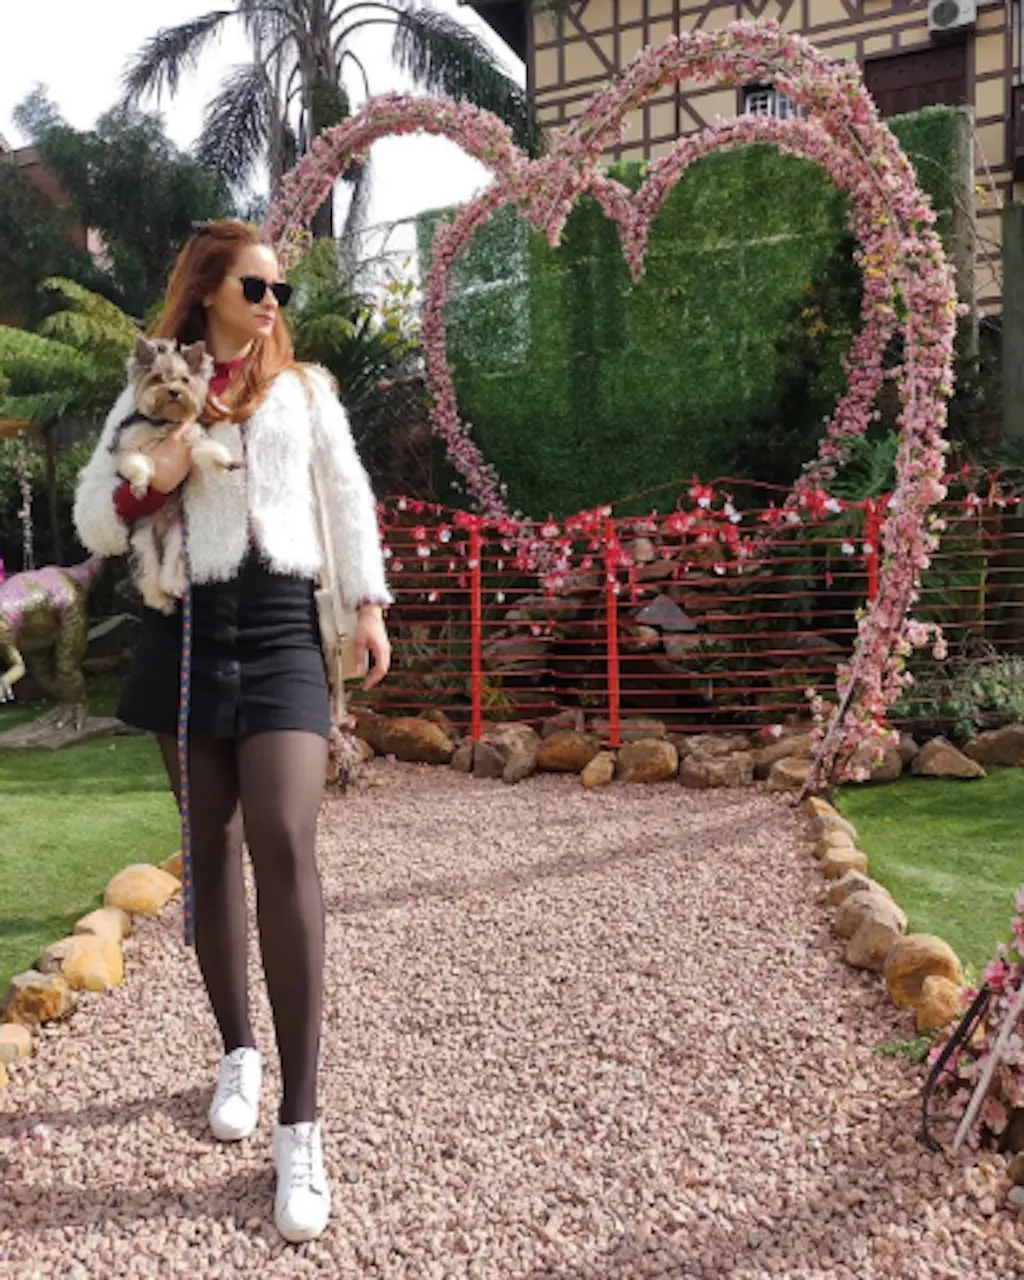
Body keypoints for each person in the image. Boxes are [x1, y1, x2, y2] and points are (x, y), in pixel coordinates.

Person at [73, 219, 392, 1244]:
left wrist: (369, 604)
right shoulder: (152, 386)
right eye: (257, 286)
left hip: (284, 624)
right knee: (208, 849)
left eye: (279, 290)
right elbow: (95, 515)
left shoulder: (305, 392)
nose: (271, 304)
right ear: (209, 287)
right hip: (187, 627)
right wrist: (154, 474)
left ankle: (301, 1124)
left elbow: (346, 494)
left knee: (284, 835)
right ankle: (237, 1052)